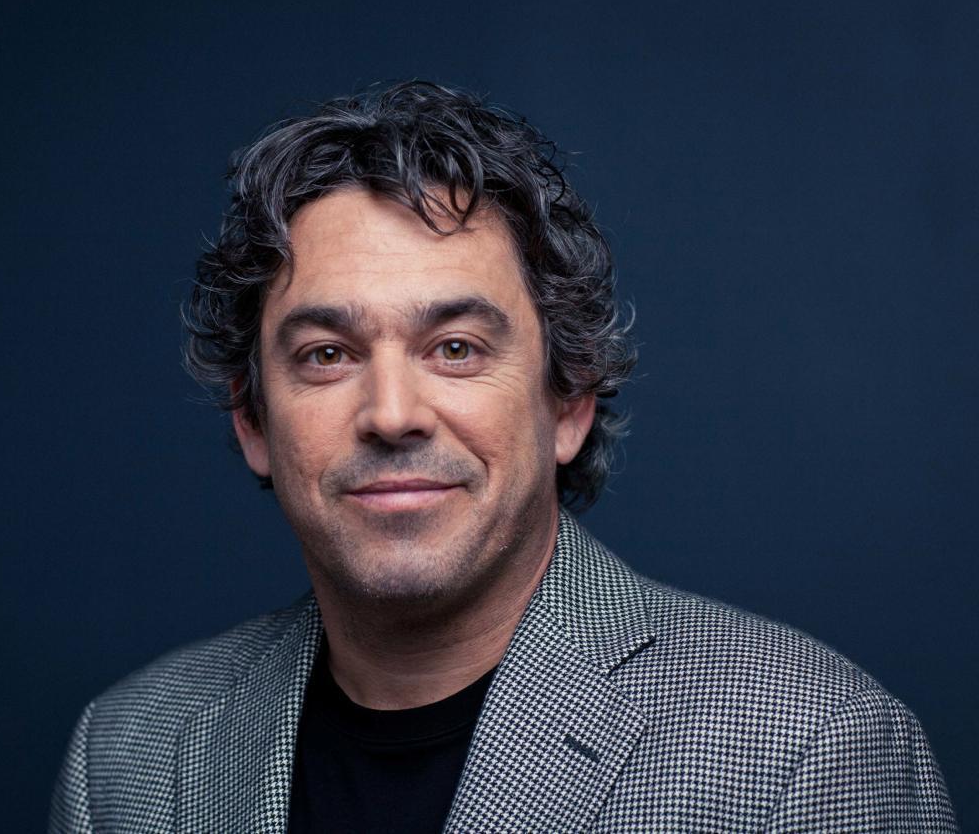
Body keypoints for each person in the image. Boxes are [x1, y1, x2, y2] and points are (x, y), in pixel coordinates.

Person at [49, 81, 956, 832]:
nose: (392, 414)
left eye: (456, 348)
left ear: (569, 402)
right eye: (327, 355)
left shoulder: (807, 750)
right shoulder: (125, 759)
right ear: (253, 419)